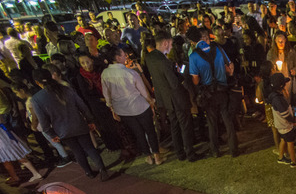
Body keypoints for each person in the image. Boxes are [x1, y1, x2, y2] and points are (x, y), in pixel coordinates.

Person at [31, 69, 108, 181]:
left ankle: (88, 172)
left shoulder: (37, 99)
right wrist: (90, 120)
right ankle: (102, 169)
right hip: (78, 123)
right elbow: (82, 106)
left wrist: (51, 134)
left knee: (77, 151)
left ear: (37, 82)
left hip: (62, 129)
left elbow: (43, 120)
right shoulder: (65, 89)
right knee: (89, 147)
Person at [101, 45, 161, 165]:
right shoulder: (130, 73)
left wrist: (112, 108)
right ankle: (157, 156)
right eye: (123, 55)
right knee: (150, 130)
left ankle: (148, 157)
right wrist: (151, 101)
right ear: (118, 58)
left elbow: (107, 95)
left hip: (123, 110)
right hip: (140, 106)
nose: (125, 56)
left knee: (138, 133)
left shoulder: (105, 74)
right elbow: (143, 92)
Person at [187, 26, 238, 158]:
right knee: (227, 120)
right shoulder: (218, 49)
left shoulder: (193, 56)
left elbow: (196, 80)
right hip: (223, 89)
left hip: (208, 93)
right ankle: (234, 149)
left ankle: (215, 150)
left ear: (192, 42)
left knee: (212, 122)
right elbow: (230, 69)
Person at [146, 30, 197, 161]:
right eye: (170, 44)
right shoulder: (165, 62)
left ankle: (180, 153)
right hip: (177, 99)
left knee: (174, 125)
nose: (171, 47)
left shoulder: (150, 58)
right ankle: (190, 153)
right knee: (185, 125)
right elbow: (174, 83)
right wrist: (181, 73)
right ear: (165, 43)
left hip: (165, 99)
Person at [268, 73, 296, 168]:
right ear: (281, 86)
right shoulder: (278, 99)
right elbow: (285, 114)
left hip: (280, 125)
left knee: (283, 140)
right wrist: (293, 121)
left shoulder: (274, 96)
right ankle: (293, 161)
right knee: (290, 142)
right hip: (285, 125)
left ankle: (281, 157)